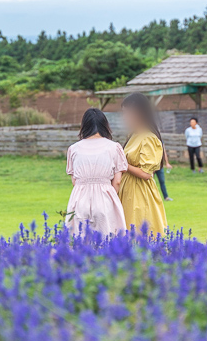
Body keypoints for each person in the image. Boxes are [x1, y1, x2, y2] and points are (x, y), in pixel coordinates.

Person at [64, 108, 128, 236]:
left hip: (79, 200)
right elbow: (117, 181)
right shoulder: (114, 147)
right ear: (105, 125)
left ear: (84, 126)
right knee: (107, 241)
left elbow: (74, 181)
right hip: (105, 200)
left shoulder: (73, 149)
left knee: (79, 240)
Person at [117, 93, 168, 234]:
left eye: (127, 113)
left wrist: (123, 164)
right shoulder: (133, 136)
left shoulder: (149, 138)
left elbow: (146, 174)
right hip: (126, 189)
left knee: (138, 230)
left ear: (138, 113)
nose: (125, 118)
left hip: (138, 192)